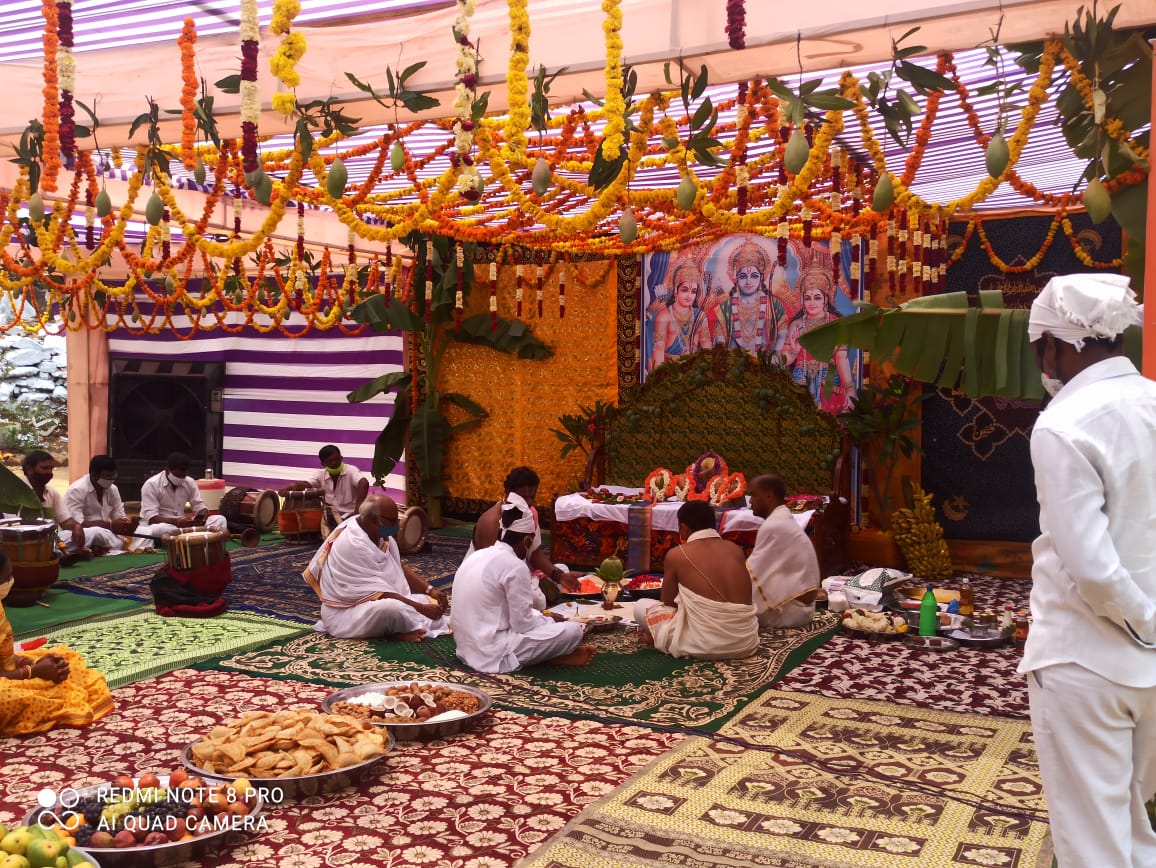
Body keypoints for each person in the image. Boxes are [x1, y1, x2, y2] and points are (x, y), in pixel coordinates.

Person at [1019, 273, 1156, 867]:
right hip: (1146, 669)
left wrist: (1149, 623)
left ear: (1057, 345)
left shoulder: (1063, 424)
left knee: (1094, 844)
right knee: (1131, 827)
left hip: (1086, 660)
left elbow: (1092, 570)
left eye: (1037, 349)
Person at [452, 497, 594, 672]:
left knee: (543, 620)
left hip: (466, 649)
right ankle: (553, 656)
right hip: (492, 654)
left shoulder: (477, 555)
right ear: (527, 541)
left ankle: (553, 653)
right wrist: (547, 621)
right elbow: (522, 625)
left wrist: (543, 619)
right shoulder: (515, 565)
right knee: (573, 631)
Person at [303, 495, 449, 641]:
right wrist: (421, 608)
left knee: (427, 603)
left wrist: (430, 590)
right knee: (392, 609)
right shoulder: (353, 543)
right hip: (344, 614)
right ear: (374, 519)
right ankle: (396, 633)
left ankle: (403, 623)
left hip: (370, 599)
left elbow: (399, 567)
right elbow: (380, 593)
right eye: (392, 521)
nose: (397, 525)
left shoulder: (378, 533)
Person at [0, 548, 114, 736]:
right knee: (6, 699)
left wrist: (32, 663)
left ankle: (47, 691)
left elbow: (5, 654)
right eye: (3, 580)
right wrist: (33, 672)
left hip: (7, 671)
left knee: (67, 658)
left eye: (9, 577)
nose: (8, 584)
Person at [634, 500, 759, 660]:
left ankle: (661, 639)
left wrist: (660, 634)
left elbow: (668, 604)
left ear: (684, 528)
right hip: (745, 642)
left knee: (640, 606)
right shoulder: (735, 549)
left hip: (704, 644)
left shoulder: (677, 554)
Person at [472, 467, 580, 596]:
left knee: (562, 569)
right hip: (489, 583)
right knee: (536, 597)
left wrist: (559, 576)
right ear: (507, 493)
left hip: (516, 570)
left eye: (532, 497)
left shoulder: (529, 513)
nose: (528, 502)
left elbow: (533, 553)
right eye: (523, 497)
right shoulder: (491, 522)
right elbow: (492, 570)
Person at [780, 248, 857, 413]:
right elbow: (785, 360)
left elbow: (841, 359)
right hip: (800, 382)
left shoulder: (836, 325)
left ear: (825, 300)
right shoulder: (797, 325)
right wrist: (793, 352)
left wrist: (850, 390)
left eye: (817, 298)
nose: (812, 303)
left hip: (828, 384)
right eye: (807, 298)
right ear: (802, 300)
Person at [746, 474, 820, 629]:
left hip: (791, 613)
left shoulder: (774, 526)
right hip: (802, 608)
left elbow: (752, 574)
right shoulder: (781, 519)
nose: (750, 501)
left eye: (753, 495)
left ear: (768, 496)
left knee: (726, 616)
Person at [714, 241, 788, 356]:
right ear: (736, 278)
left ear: (761, 278)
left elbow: (782, 335)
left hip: (765, 363)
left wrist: (775, 357)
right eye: (743, 276)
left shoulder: (774, 305)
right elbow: (720, 341)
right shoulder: (725, 307)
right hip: (733, 363)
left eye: (754, 276)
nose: (748, 282)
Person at [19, 450, 93, 562]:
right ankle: (61, 554)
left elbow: (65, 521)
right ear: (30, 469)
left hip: (49, 539)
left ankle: (63, 553)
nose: (49, 473)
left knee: (90, 533)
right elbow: (13, 528)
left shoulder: (52, 492)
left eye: (51, 468)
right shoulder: (16, 492)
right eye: (44, 468)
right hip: (21, 541)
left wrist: (76, 527)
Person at [137, 452, 228, 542]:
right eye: (177, 475)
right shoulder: (151, 485)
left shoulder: (189, 482)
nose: (181, 479)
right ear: (167, 470)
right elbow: (152, 518)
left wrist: (201, 519)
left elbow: (200, 506)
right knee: (161, 529)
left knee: (220, 519)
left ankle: (192, 537)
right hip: (161, 525)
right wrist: (178, 522)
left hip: (184, 525)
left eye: (183, 476)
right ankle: (196, 538)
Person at [62, 455, 138, 553]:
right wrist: (110, 526)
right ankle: (113, 546)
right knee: (96, 532)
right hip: (87, 533)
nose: (112, 479)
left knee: (145, 531)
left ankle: (110, 547)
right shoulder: (77, 490)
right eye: (108, 476)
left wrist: (127, 525)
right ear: (93, 475)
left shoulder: (113, 489)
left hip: (107, 533)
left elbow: (119, 517)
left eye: (114, 475)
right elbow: (77, 525)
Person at [279, 445, 369, 526]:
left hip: (351, 515)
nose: (334, 463)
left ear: (341, 458)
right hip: (330, 516)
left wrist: (357, 510)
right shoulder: (320, 474)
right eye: (330, 461)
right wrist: (292, 486)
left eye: (336, 459)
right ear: (323, 464)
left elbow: (364, 483)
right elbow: (307, 483)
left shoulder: (351, 470)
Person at [649, 262, 712, 372]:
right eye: (684, 290)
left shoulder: (700, 316)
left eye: (693, 291)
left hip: (694, 371)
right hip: (671, 370)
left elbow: (706, 345)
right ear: (675, 291)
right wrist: (658, 378)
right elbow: (658, 349)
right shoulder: (664, 316)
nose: (689, 296)